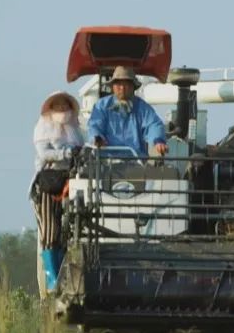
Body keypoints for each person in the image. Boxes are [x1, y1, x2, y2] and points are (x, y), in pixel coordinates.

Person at [30, 91, 84, 298]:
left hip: (71, 182)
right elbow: (44, 154)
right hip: (48, 183)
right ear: (50, 109)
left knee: (68, 229)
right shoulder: (43, 129)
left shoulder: (75, 130)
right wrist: (67, 153)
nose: (62, 110)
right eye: (58, 106)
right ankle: (52, 276)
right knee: (50, 230)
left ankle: (65, 274)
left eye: (65, 106)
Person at [86, 66, 168, 157]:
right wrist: (97, 138)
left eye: (127, 84)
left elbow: (154, 124)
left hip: (136, 162)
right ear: (113, 87)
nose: (122, 88)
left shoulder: (143, 108)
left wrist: (158, 141)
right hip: (106, 162)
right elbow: (94, 126)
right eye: (118, 84)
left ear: (133, 87)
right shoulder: (101, 106)